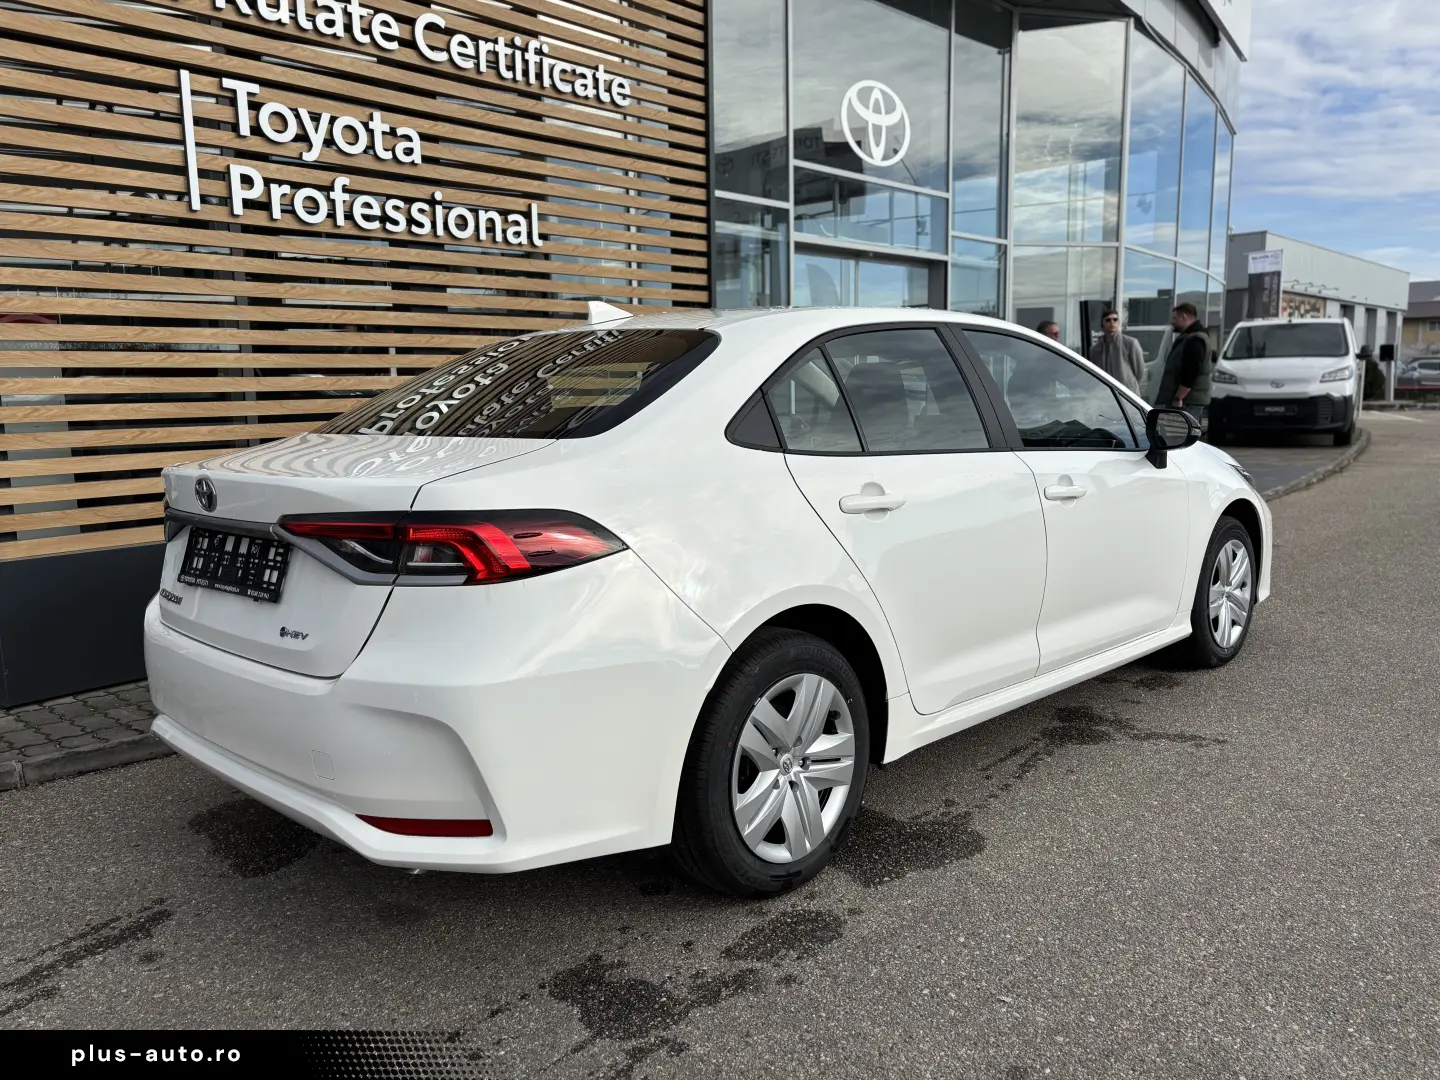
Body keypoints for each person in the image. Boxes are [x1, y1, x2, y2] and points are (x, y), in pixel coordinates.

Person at [1155, 302, 1212, 421]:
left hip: (1188, 403)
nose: (1172, 322)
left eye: (1174, 318)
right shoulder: (1191, 338)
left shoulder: (1195, 340)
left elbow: (1191, 372)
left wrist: (1179, 397)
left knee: (1181, 432)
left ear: (1184, 317)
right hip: (1189, 402)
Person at [1088, 310, 1146, 395]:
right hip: (1105, 395)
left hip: (1127, 394)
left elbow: (1140, 372)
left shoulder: (1130, 343)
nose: (1112, 322)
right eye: (1108, 320)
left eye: (1115, 320)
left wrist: (1130, 386)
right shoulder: (1095, 349)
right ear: (1102, 325)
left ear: (1118, 323)